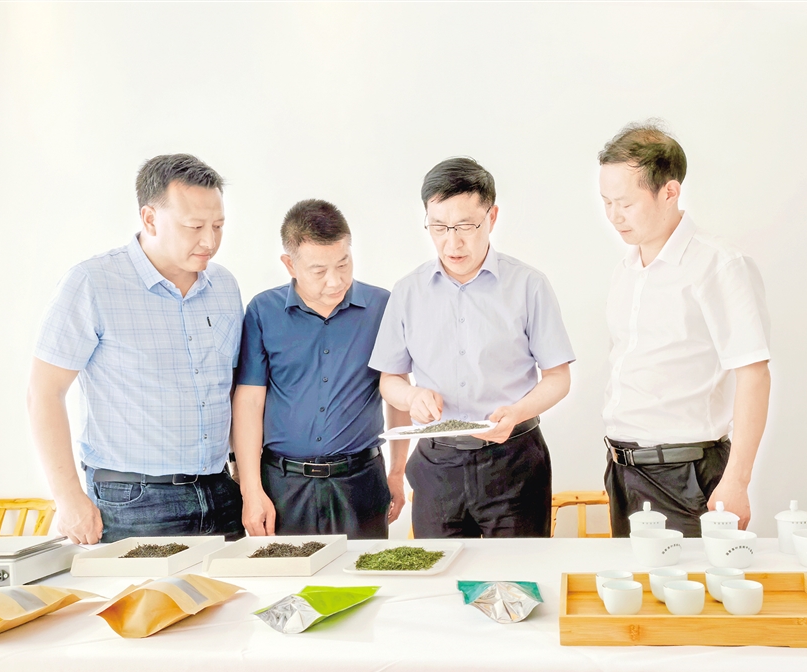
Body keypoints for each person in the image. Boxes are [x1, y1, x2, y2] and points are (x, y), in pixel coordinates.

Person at [28, 153, 245, 545]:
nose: (209, 241)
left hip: (221, 492)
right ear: (149, 219)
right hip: (134, 502)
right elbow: (44, 392)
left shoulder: (224, 286)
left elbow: (227, 389)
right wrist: (67, 497)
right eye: (194, 226)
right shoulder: (92, 283)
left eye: (218, 226)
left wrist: (241, 467)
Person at [370, 157, 575, 538]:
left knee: (519, 571)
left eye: (465, 226)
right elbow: (389, 379)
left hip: (514, 460)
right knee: (441, 572)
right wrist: (412, 396)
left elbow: (558, 378)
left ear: (491, 217)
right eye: (438, 227)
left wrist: (516, 412)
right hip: (436, 463)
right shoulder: (408, 291)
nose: (453, 242)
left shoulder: (528, 285)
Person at [598, 123, 771, 537]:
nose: (614, 216)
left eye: (625, 203)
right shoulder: (626, 270)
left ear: (670, 192)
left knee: (690, 580)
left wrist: (737, 481)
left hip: (687, 474)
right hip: (622, 471)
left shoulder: (718, 265)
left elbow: (753, 373)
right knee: (634, 580)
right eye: (606, 202)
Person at [231, 200, 410, 539]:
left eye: (343, 263)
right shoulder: (263, 311)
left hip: (362, 482)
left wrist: (398, 472)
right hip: (282, 484)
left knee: (365, 572)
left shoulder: (382, 307)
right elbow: (249, 403)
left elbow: (397, 391)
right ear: (290, 264)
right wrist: (251, 491)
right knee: (286, 572)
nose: (335, 281)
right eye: (319, 271)